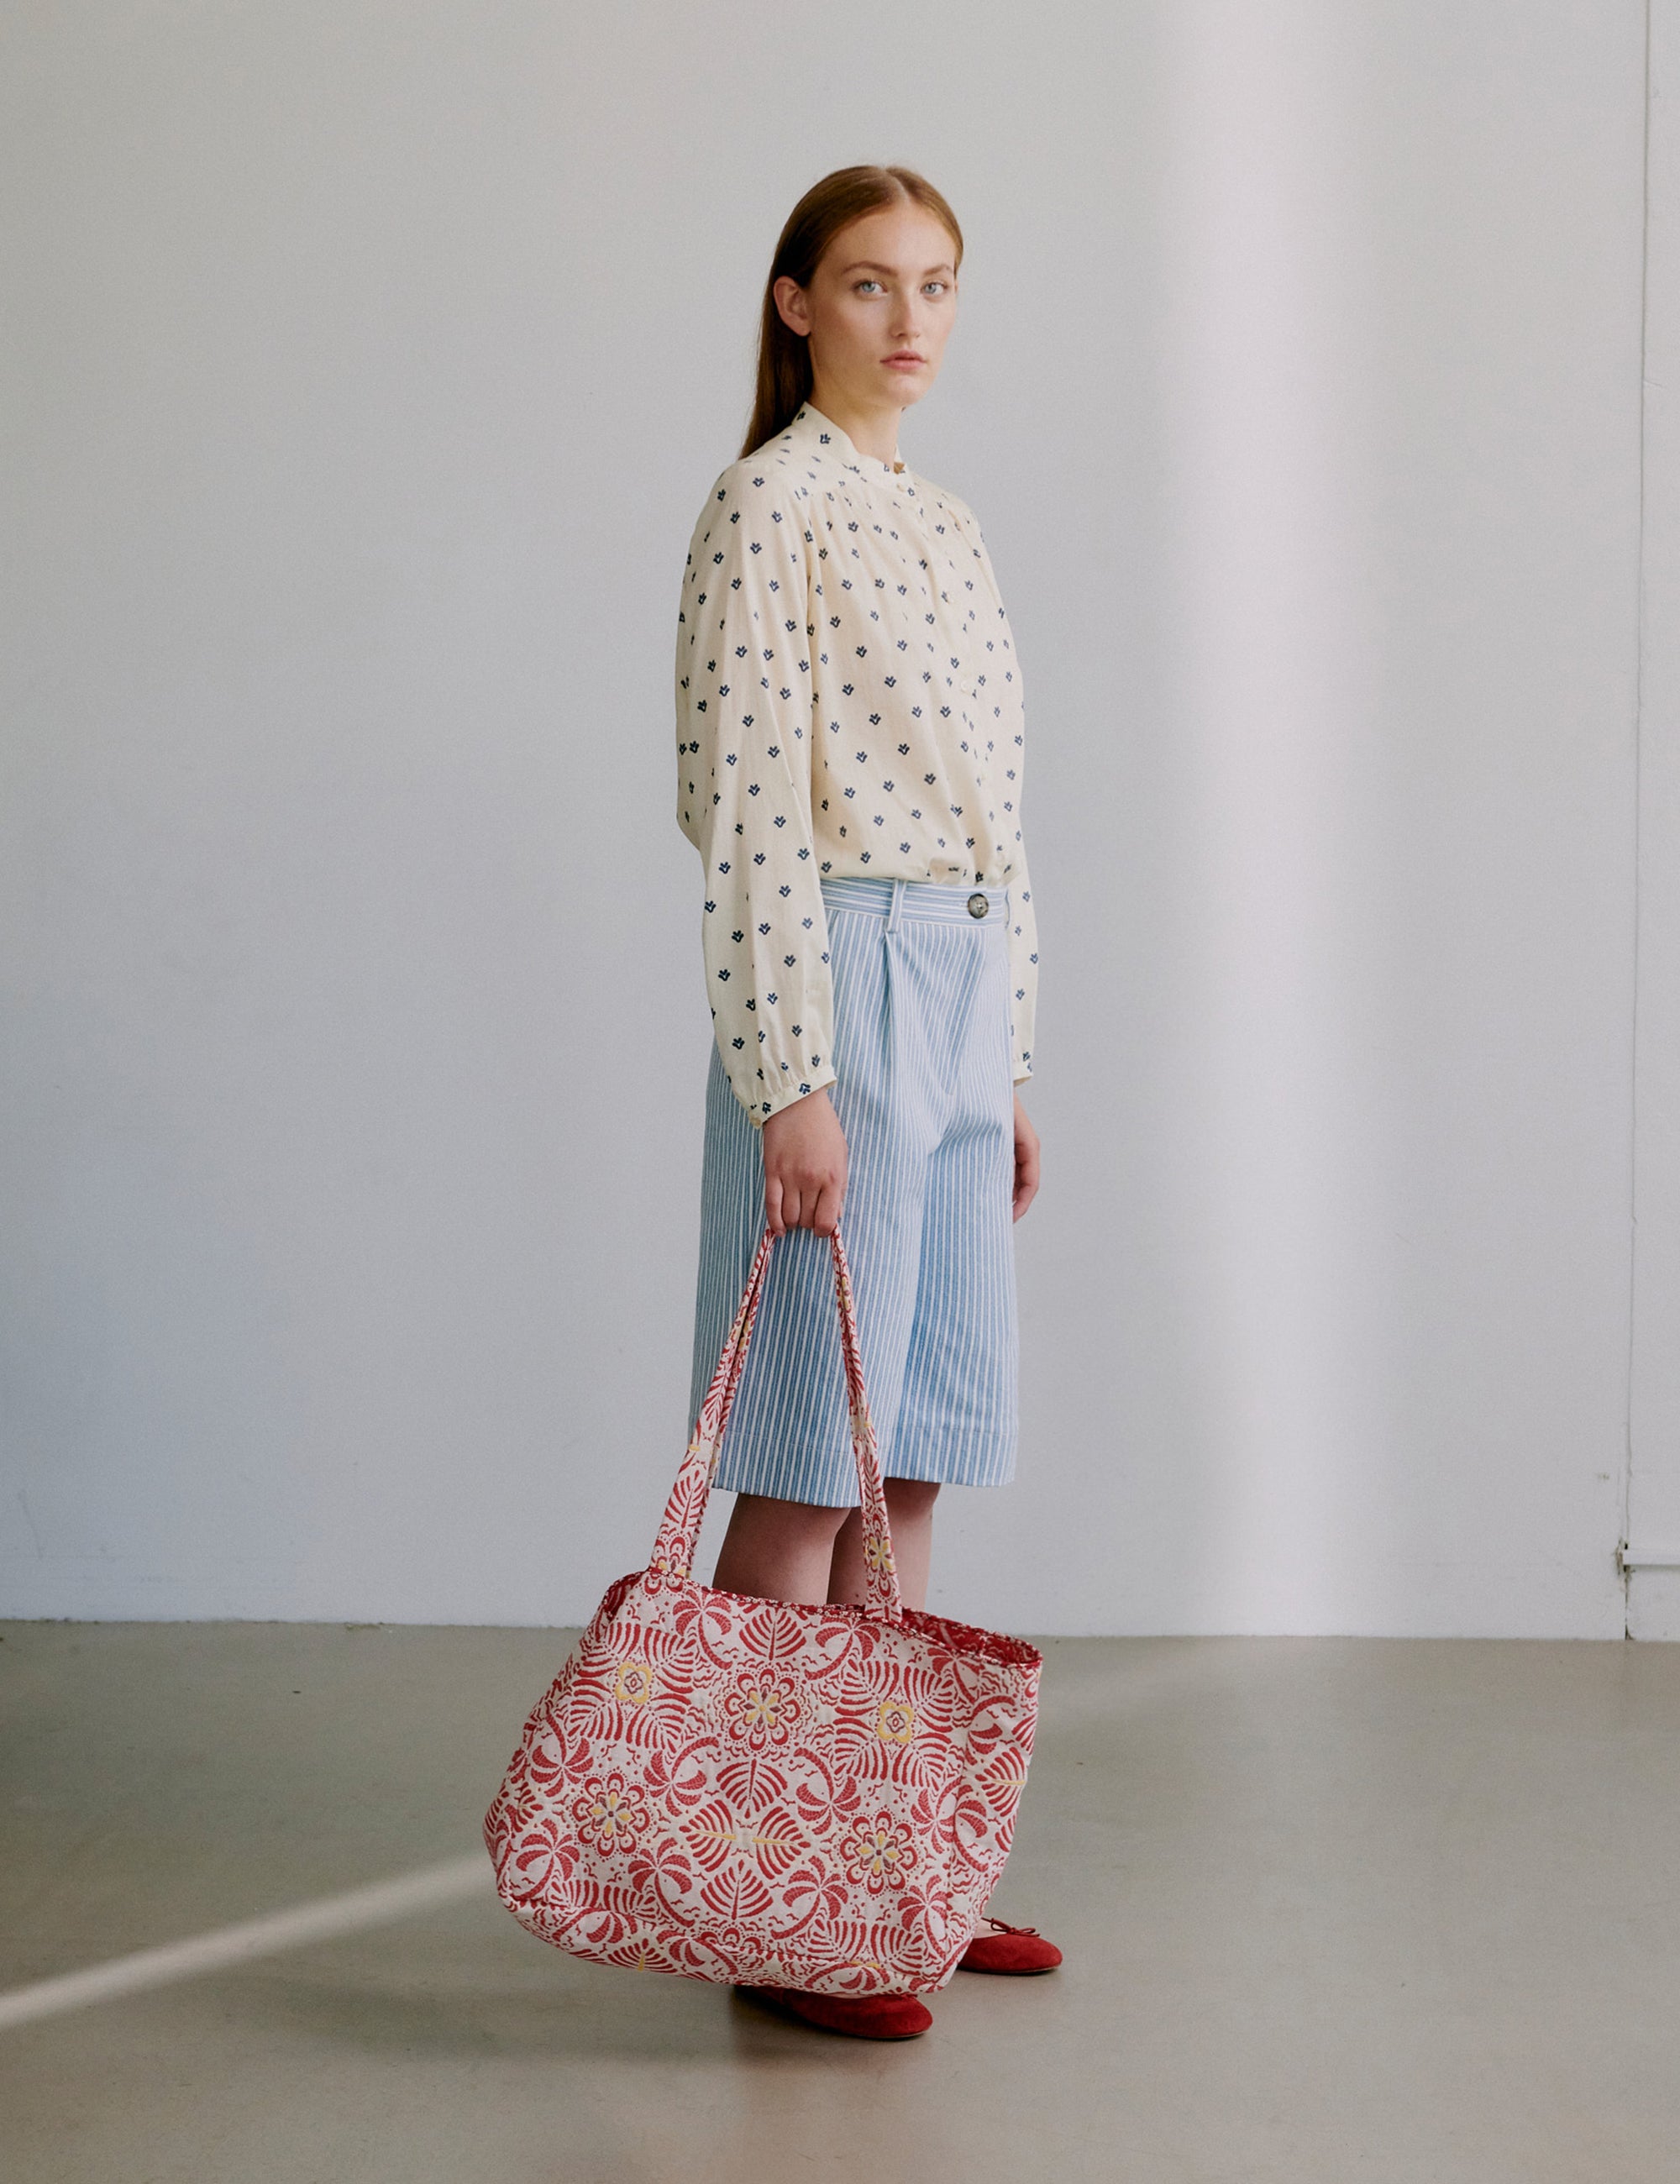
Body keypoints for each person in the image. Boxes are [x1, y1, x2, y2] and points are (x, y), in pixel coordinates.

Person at [674, 164, 1060, 2040]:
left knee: (908, 1449)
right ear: (792, 303)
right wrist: (793, 1080)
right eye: (867, 283)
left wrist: (1008, 1061)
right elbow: (746, 818)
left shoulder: (949, 523)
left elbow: (1003, 816)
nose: (909, 319)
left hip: (959, 993)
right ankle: (772, 1902)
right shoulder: (769, 510)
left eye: (936, 285)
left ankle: (887, 1867)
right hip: (847, 978)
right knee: (804, 1447)